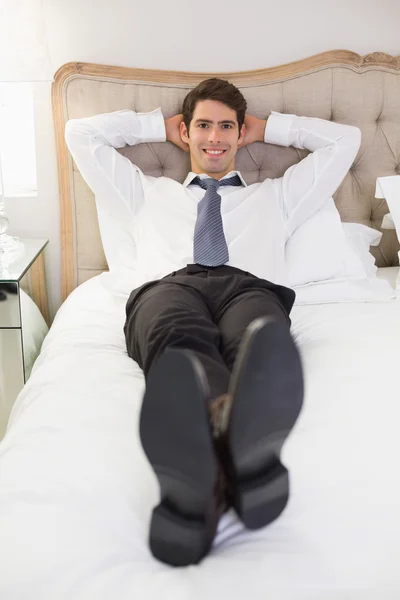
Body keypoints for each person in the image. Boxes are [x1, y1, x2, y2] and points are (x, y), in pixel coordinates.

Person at [65, 78, 361, 568]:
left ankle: (201, 485)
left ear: (242, 133)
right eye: (203, 126)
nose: (216, 138)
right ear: (185, 131)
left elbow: (344, 140)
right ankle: (233, 455)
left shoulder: (278, 196)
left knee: (256, 340)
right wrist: (157, 127)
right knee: (179, 344)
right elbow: (80, 134)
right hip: (169, 286)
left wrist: (266, 127)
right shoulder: (143, 192)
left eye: (228, 127)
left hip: (249, 287)